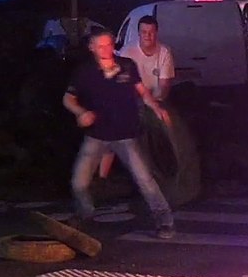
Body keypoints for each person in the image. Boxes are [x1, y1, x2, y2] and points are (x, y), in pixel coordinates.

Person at [63, 29, 176, 239]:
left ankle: (165, 222)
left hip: (125, 134)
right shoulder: (84, 72)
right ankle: (85, 212)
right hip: (97, 134)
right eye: (100, 46)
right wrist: (81, 112)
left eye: (108, 44)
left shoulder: (126, 66)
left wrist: (157, 108)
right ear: (91, 48)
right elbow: (68, 99)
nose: (106, 49)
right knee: (79, 182)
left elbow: (142, 92)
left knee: (145, 180)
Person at [100, 15, 174, 178]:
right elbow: (122, 85)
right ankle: (105, 176)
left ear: (156, 33)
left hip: (154, 100)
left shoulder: (164, 52)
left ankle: (162, 168)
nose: (147, 36)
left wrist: (155, 103)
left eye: (151, 32)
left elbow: (164, 86)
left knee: (161, 125)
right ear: (139, 33)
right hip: (132, 100)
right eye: (144, 32)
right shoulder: (128, 52)